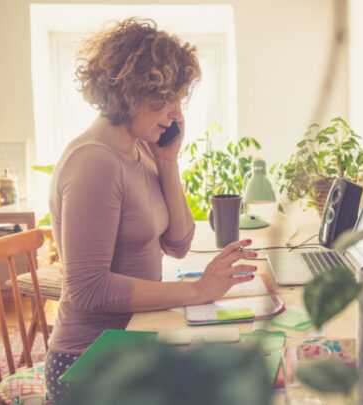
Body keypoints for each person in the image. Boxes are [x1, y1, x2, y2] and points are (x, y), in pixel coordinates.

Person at [44, 18, 257, 403]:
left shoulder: (141, 149)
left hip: (133, 346)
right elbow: (87, 288)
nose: (176, 113)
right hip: (89, 364)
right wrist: (197, 290)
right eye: (166, 99)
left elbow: (178, 244)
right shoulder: (95, 161)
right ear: (130, 92)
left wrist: (168, 162)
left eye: (179, 99)